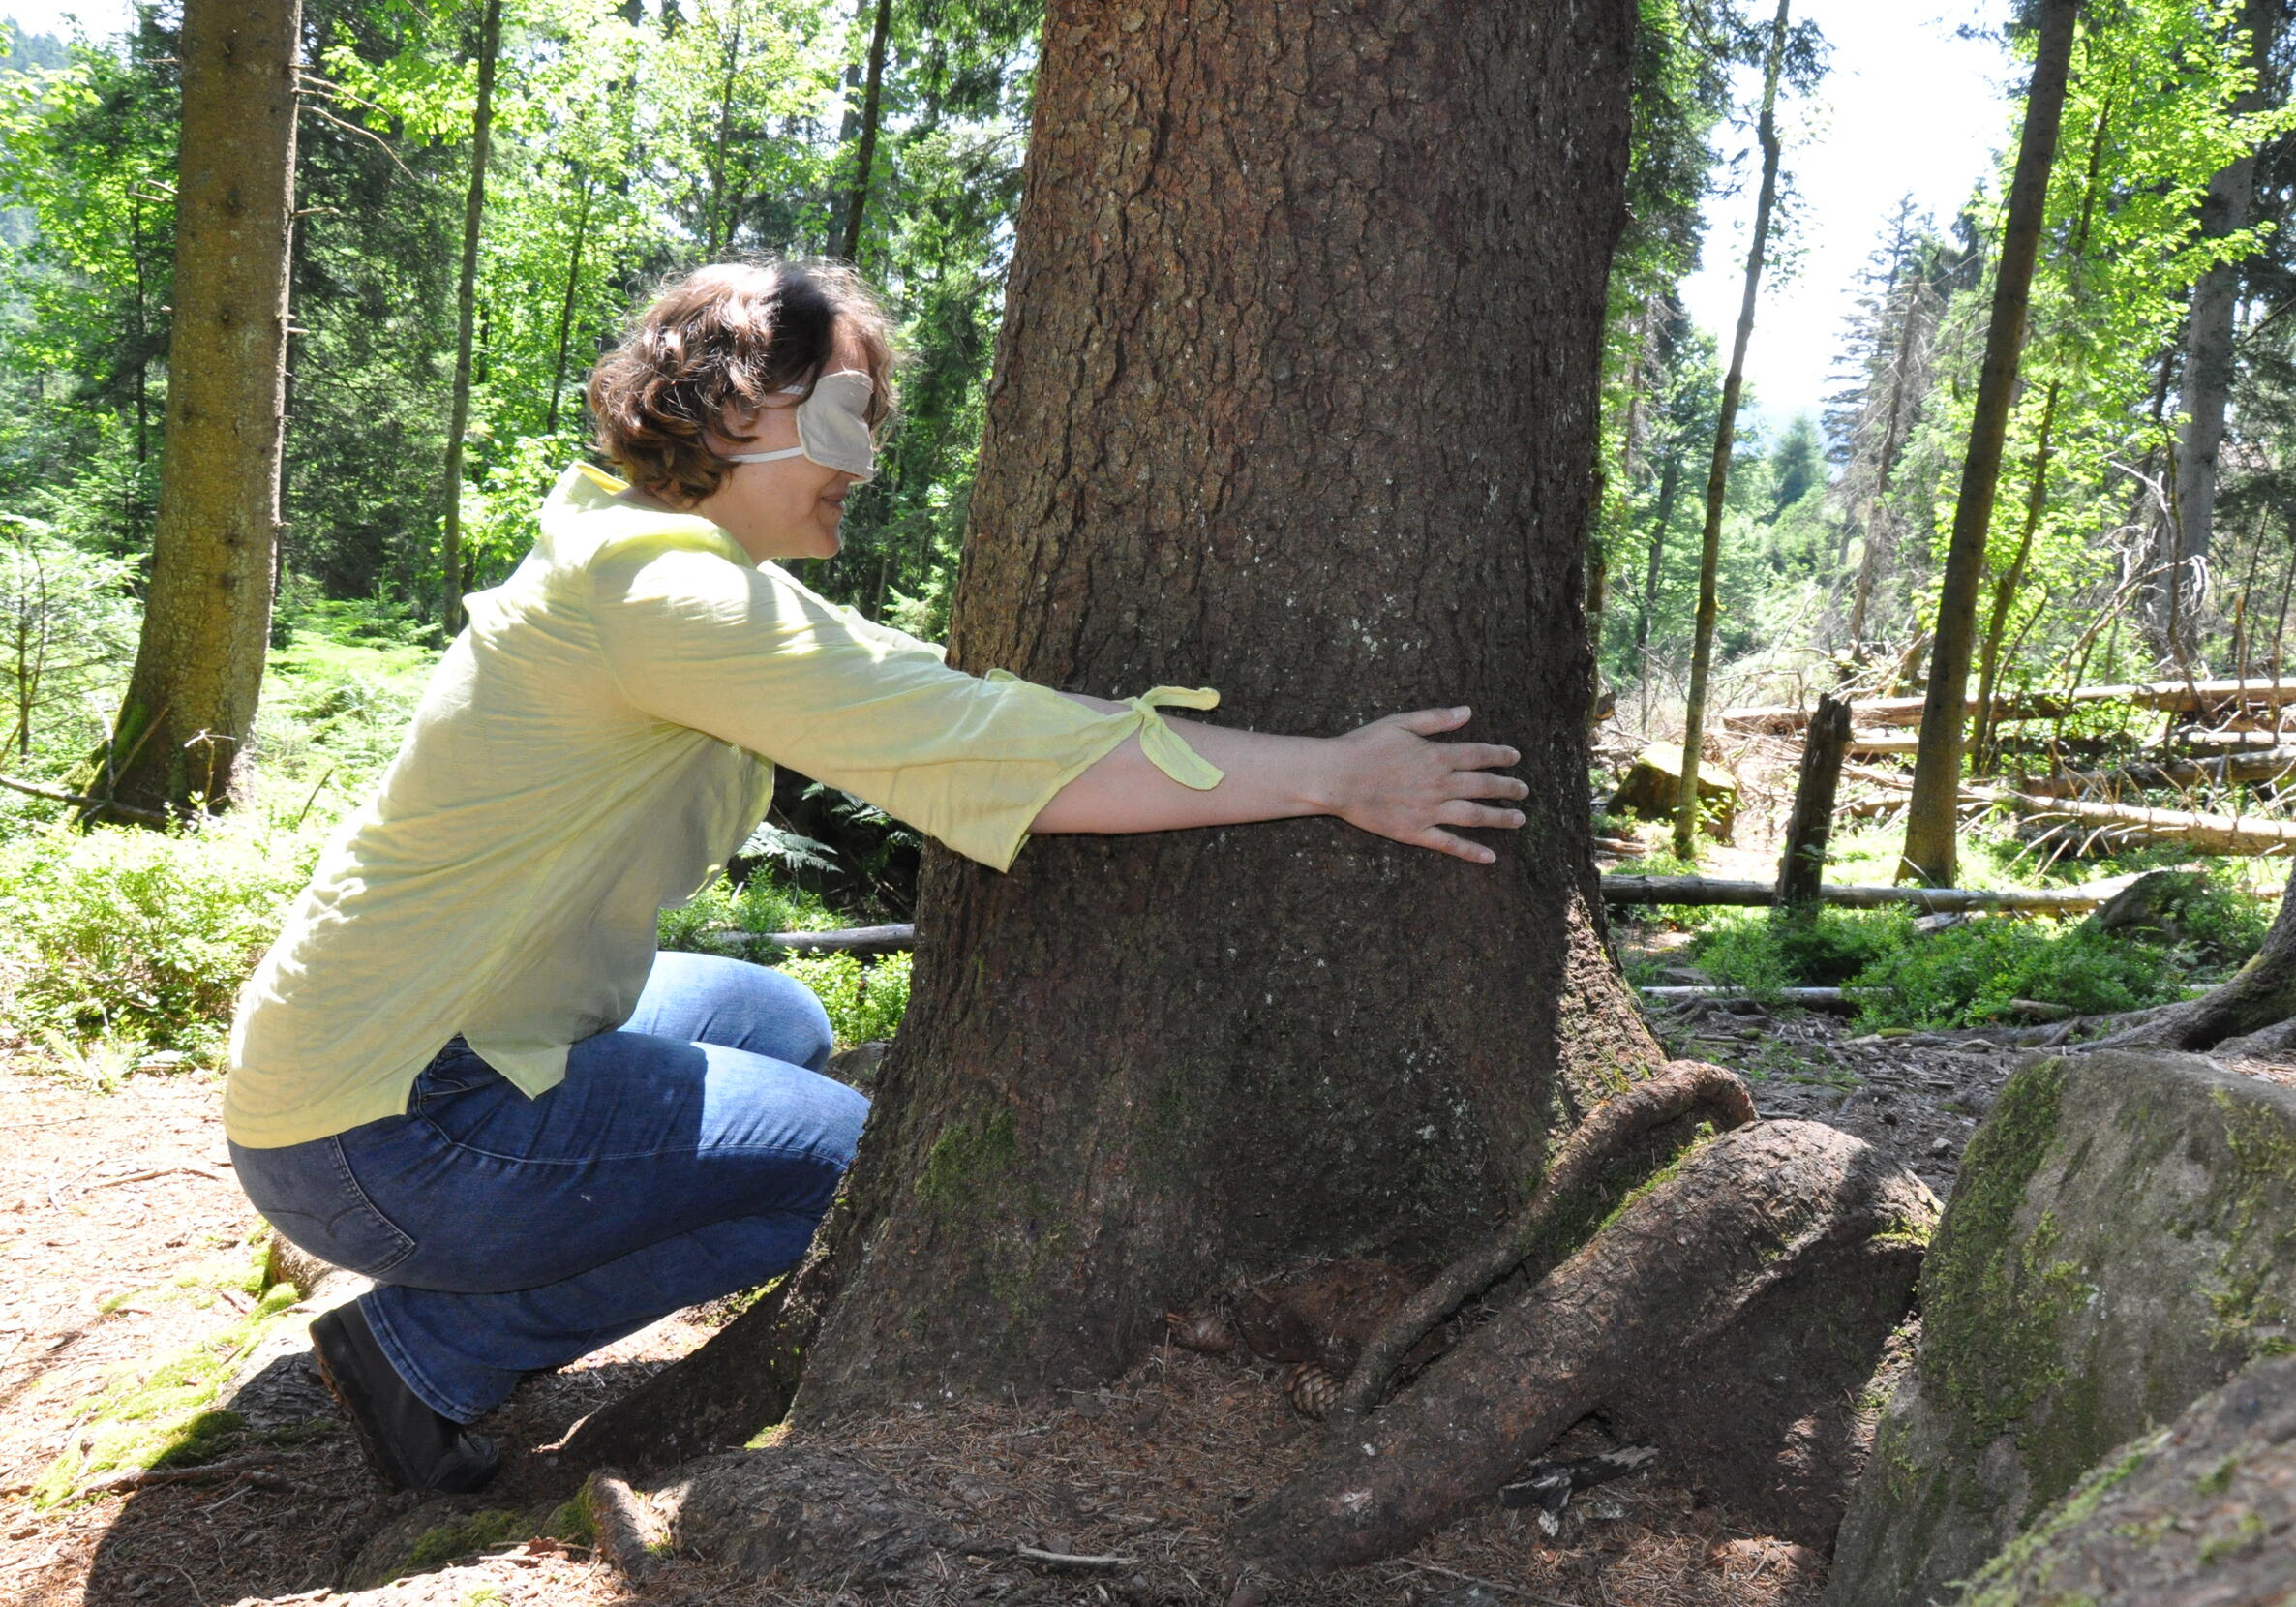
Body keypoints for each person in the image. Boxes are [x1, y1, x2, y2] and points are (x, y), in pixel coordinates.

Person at [224, 259, 1528, 1494]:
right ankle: (425, 1354)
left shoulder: (649, 557)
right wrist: (1332, 774)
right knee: (864, 1173)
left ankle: (454, 1292)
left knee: (776, 1020)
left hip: (359, 1062)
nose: (868, 457)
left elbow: (936, 698)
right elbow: (986, 753)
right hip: (387, 1125)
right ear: (728, 406)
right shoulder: (676, 603)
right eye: (842, 412)